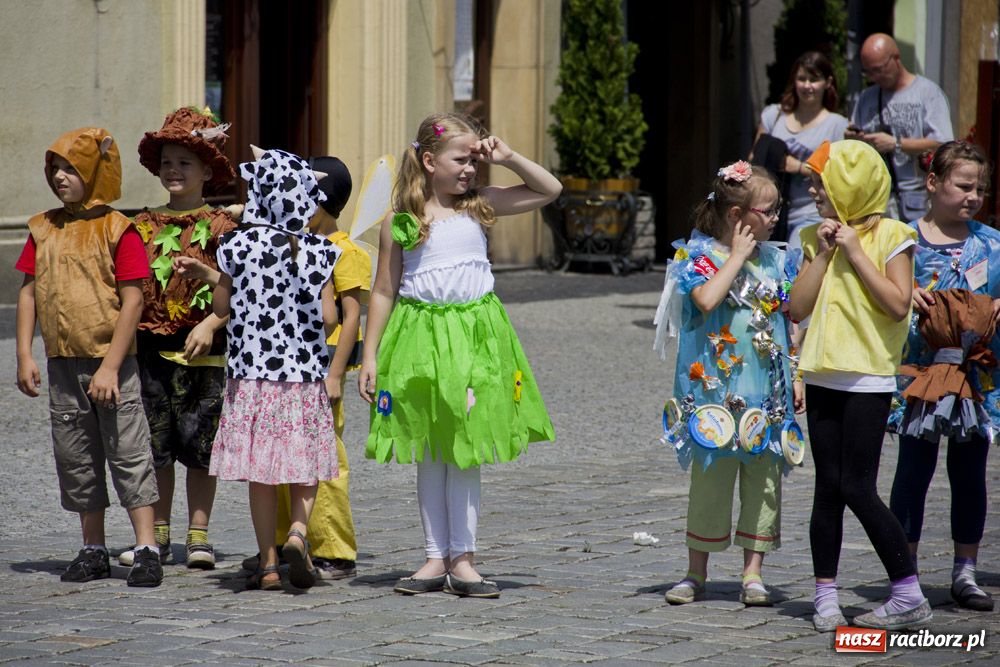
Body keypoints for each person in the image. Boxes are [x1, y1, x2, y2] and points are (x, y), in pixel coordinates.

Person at [359, 112, 559, 599]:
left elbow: (548, 189)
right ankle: (434, 556)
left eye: (475, 159)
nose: (470, 168)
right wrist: (370, 355)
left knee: (464, 449)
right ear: (429, 161)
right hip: (419, 341)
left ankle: (463, 559)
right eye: (460, 159)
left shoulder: (481, 206)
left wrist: (507, 157)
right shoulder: (401, 223)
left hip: (474, 339)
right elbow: (383, 290)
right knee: (429, 449)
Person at [789, 139, 932, 632]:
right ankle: (824, 596)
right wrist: (826, 252)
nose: (813, 190)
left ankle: (908, 592)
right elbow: (797, 307)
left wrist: (854, 248)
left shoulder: (894, 234)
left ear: (850, 185)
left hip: (868, 376)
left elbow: (897, 304)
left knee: (858, 486)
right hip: (824, 371)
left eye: (820, 182)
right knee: (827, 489)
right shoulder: (815, 235)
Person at [14, 127, 162, 587]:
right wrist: (24, 353)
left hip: (110, 365)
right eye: (54, 169)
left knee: (128, 452)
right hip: (62, 365)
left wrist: (112, 366)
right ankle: (92, 547)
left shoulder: (119, 230)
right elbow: (28, 293)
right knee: (76, 456)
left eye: (71, 169)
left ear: (97, 173)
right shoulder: (44, 229)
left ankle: (146, 548)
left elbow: (133, 300)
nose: (60, 177)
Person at [659, 160, 801, 608]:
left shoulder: (777, 260)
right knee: (710, 481)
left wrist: (796, 371)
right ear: (738, 217)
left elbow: (790, 319)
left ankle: (753, 572)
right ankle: (694, 572)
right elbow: (705, 299)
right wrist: (736, 257)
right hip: (713, 394)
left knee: (764, 483)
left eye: (778, 210)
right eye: (767, 210)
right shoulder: (698, 257)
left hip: (767, 394)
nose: (775, 218)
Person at [209, 147, 341, 591]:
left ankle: (267, 563)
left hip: (250, 376)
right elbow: (328, 319)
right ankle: (299, 533)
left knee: (261, 475)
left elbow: (221, 305)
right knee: (304, 465)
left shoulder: (236, 244)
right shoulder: (319, 251)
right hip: (302, 377)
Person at [114, 107, 237, 570]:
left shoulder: (226, 228)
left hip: (206, 346)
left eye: (185, 162)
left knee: (202, 446)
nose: (174, 170)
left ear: (207, 170)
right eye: (168, 161)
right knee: (155, 444)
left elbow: (243, 289)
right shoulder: (141, 225)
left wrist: (211, 323)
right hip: (150, 348)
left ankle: (199, 534)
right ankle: (158, 534)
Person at [239, 156, 369, 580]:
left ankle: (333, 550)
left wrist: (334, 374)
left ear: (320, 203)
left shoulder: (344, 252)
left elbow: (350, 318)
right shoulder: (286, 243)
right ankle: (281, 543)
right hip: (284, 372)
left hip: (320, 371)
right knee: (280, 458)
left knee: (323, 461)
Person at [887, 141, 998, 612]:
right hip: (921, 375)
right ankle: (904, 573)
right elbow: (881, 294)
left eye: (981, 188)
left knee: (969, 470)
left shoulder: (991, 244)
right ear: (933, 183)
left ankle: (965, 570)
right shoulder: (903, 241)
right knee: (913, 469)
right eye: (964, 185)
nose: (973, 195)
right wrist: (904, 292)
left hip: (976, 378)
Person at [846, 33, 953, 221]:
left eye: (878, 70)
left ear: (896, 58)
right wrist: (853, 138)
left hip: (916, 195)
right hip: (875, 199)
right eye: (868, 72)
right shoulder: (866, 97)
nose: (874, 77)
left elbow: (943, 144)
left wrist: (896, 144)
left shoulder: (928, 93)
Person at [752, 51, 848, 253]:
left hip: (810, 212)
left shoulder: (837, 125)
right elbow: (754, 158)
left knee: (794, 263)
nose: (807, 86)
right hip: (769, 211)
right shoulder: (773, 115)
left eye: (814, 80)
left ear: (828, 82)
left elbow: (838, 174)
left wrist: (798, 166)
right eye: (801, 79)